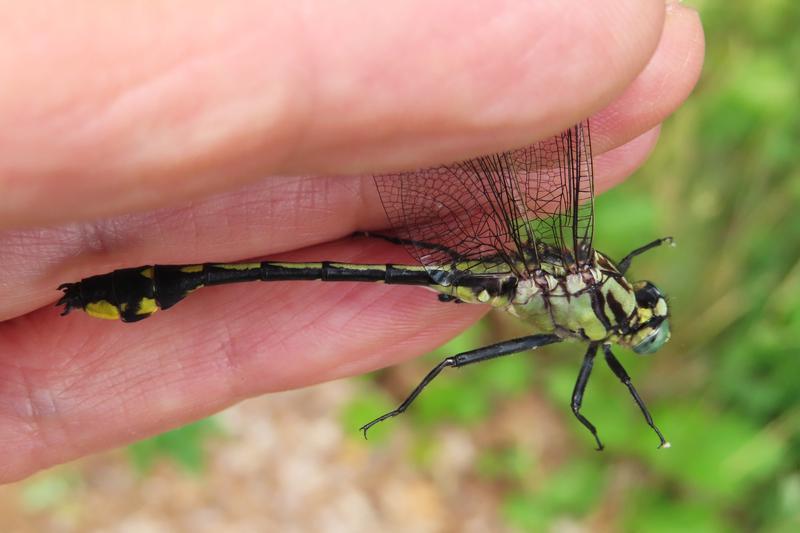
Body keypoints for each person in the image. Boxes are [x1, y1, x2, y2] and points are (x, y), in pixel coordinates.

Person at [0, 1, 703, 482]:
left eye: (643, 314)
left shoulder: (589, 290)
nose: (640, 316)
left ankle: (392, 398)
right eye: (645, 312)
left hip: (490, 263)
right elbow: (583, 398)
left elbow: (588, 397)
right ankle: (172, 278)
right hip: (488, 266)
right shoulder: (588, 312)